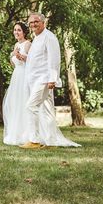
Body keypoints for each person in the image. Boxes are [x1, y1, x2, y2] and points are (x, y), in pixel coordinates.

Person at [18, 12, 80, 149]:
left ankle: (34, 140)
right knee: (47, 111)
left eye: (36, 21)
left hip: (44, 80)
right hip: (35, 80)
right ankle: (51, 141)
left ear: (43, 22)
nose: (33, 24)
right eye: (31, 22)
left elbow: (54, 59)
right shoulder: (37, 38)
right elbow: (36, 60)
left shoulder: (49, 37)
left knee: (30, 106)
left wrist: (52, 79)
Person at [3, 22, 32, 145]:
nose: (16, 32)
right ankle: (16, 133)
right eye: (15, 30)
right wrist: (14, 56)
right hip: (16, 76)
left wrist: (20, 56)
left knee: (24, 102)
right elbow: (14, 64)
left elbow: (33, 61)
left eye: (19, 30)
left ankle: (28, 134)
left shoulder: (28, 44)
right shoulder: (16, 44)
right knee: (15, 103)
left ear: (24, 32)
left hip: (25, 76)